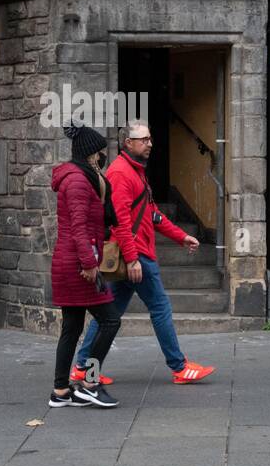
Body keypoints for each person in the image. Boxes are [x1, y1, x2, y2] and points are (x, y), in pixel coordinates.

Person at [72, 121, 216, 385]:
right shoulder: (121, 173)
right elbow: (121, 222)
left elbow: (151, 214)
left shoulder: (136, 171)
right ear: (128, 143)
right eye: (144, 139)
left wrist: (181, 236)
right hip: (136, 255)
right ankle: (179, 366)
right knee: (160, 308)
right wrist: (132, 259)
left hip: (137, 253)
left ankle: (83, 367)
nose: (150, 143)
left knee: (108, 316)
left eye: (150, 138)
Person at [48, 124, 121, 408]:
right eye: (101, 150)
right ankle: (90, 383)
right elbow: (79, 227)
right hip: (79, 266)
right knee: (110, 320)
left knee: (72, 327)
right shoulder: (78, 181)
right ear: (91, 153)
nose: (104, 155)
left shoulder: (83, 178)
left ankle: (61, 391)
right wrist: (90, 264)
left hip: (71, 262)